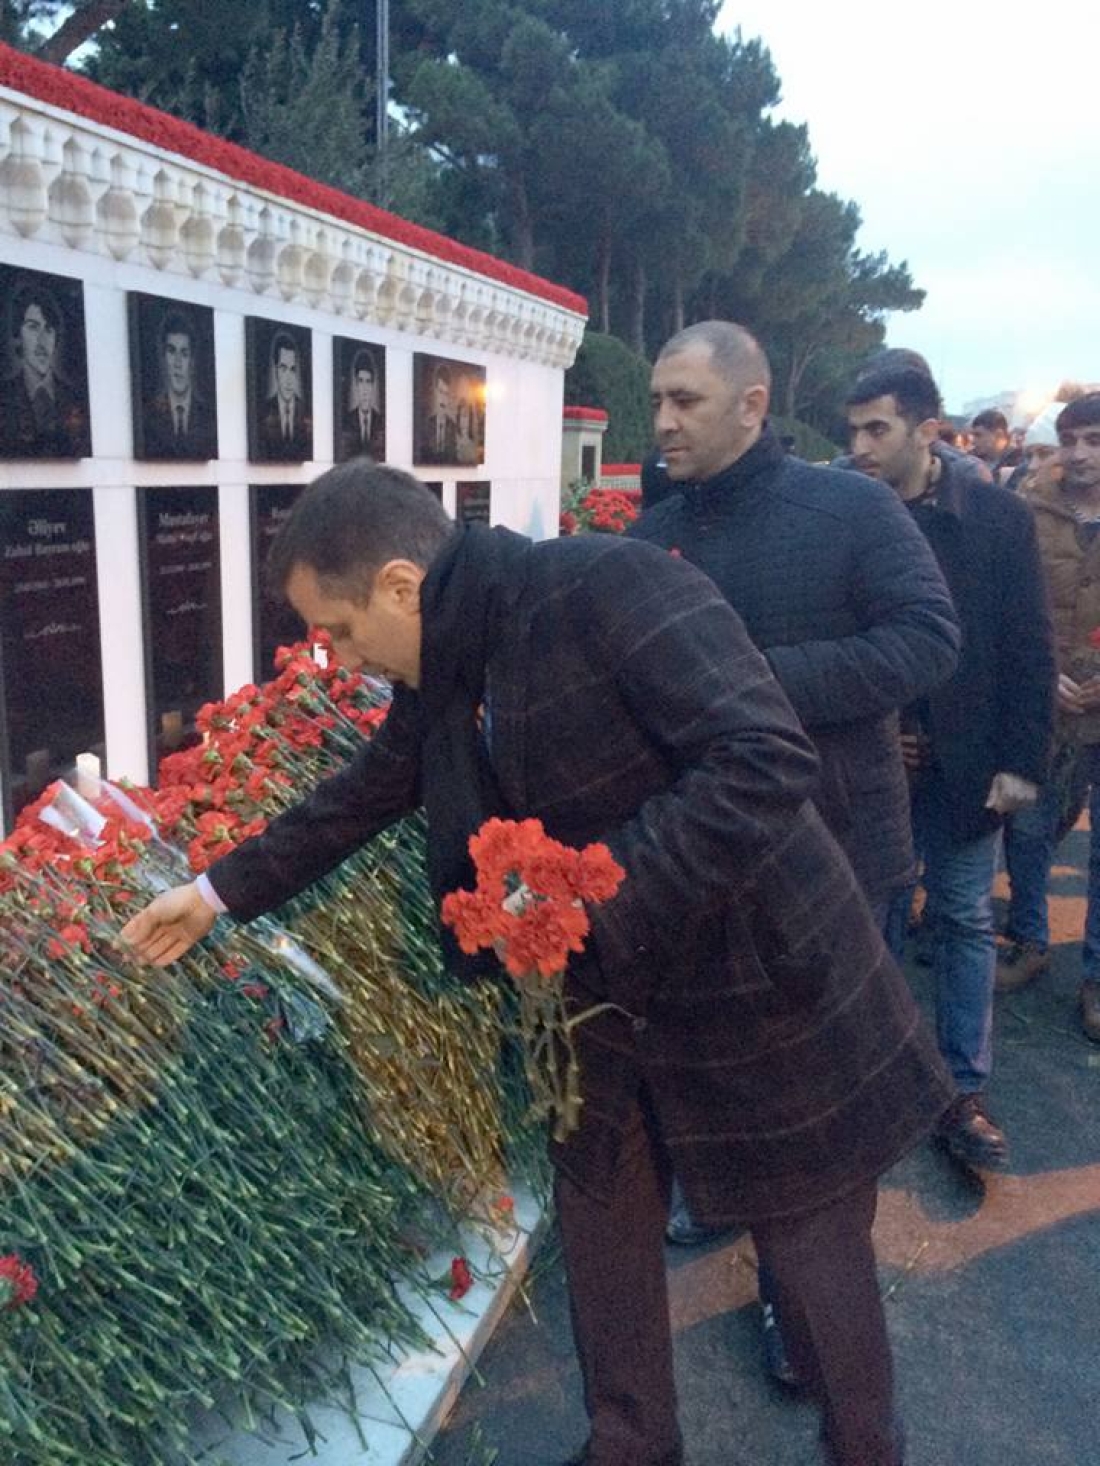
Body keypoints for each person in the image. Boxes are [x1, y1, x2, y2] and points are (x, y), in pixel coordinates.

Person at [123, 462, 953, 1466]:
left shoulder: (609, 585)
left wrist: (588, 898)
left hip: (752, 983)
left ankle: (865, 1448)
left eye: (337, 628)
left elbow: (761, 756)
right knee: (603, 1228)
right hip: (597, 1006)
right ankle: (631, 1445)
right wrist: (213, 893)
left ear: (399, 585)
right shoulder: (447, 658)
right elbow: (369, 788)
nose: (338, 656)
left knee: (810, 1255)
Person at [628, 320, 960, 1375]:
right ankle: (727, 1198)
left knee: (822, 1114)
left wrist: (759, 682)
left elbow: (926, 640)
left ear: (753, 403)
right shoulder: (651, 534)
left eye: (684, 400)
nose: (662, 421)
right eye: (656, 401)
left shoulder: (851, 510)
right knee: (724, 1067)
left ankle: (801, 1308)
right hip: (702, 863)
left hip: (838, 856)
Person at [845, 365, 1055, 1169]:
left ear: (927, 431)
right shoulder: (845, 512)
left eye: (877, 430)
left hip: (968, 768)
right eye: (854, 429)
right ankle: (878, 1081)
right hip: (873, 768)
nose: (860, 447)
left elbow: (1027, 645)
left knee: (965, 918)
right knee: (873, 923)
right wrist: (875, 729)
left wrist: (1022, 764)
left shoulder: (998, 518)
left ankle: (962, 1090)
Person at [997, 392, 1100, 1043]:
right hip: (1049, 707)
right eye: (1071, 440)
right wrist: (1043, 672)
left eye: (1094, 440)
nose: (1080, 454)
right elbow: (1012, 603)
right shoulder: (1029, 510)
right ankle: (1030, 939)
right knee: (1030, 830)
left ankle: (1097, 976)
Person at [0, 280, 90, 458]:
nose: (42, 341)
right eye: (33, 327)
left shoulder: (74, 396)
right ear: (18, 335)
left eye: (48, 329)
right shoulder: (5, 395)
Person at [141, 309, 216, 459]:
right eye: (171, 351)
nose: (177, 363)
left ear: (192, 361)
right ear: (163, 357)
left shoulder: (209, 418)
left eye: (184, 353)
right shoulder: (148, 418)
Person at [256, 330, 311, 460]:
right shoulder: (264, 410)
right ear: (275, 370)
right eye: (283, 368)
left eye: (293, 369)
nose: (288, 379)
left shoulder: (304, 411)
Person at [338, 347, 384, 461]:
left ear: (373, 385)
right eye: (360, 381)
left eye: (368, 382)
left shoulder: (381, 421)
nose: (364, 389)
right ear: (356, 385)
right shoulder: (347, 420)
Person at [418, 362, 458, 463]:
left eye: (446, 394)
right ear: (435, 391)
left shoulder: (453, 427)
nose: (443, 399)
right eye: (440, 391)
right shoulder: (426, 425)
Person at [968, 408, 1020, 484]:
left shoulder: (1018, 463)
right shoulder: (972, 459)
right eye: (973, 435)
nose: (973, 441)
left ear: (998, 435)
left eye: (978, 435)